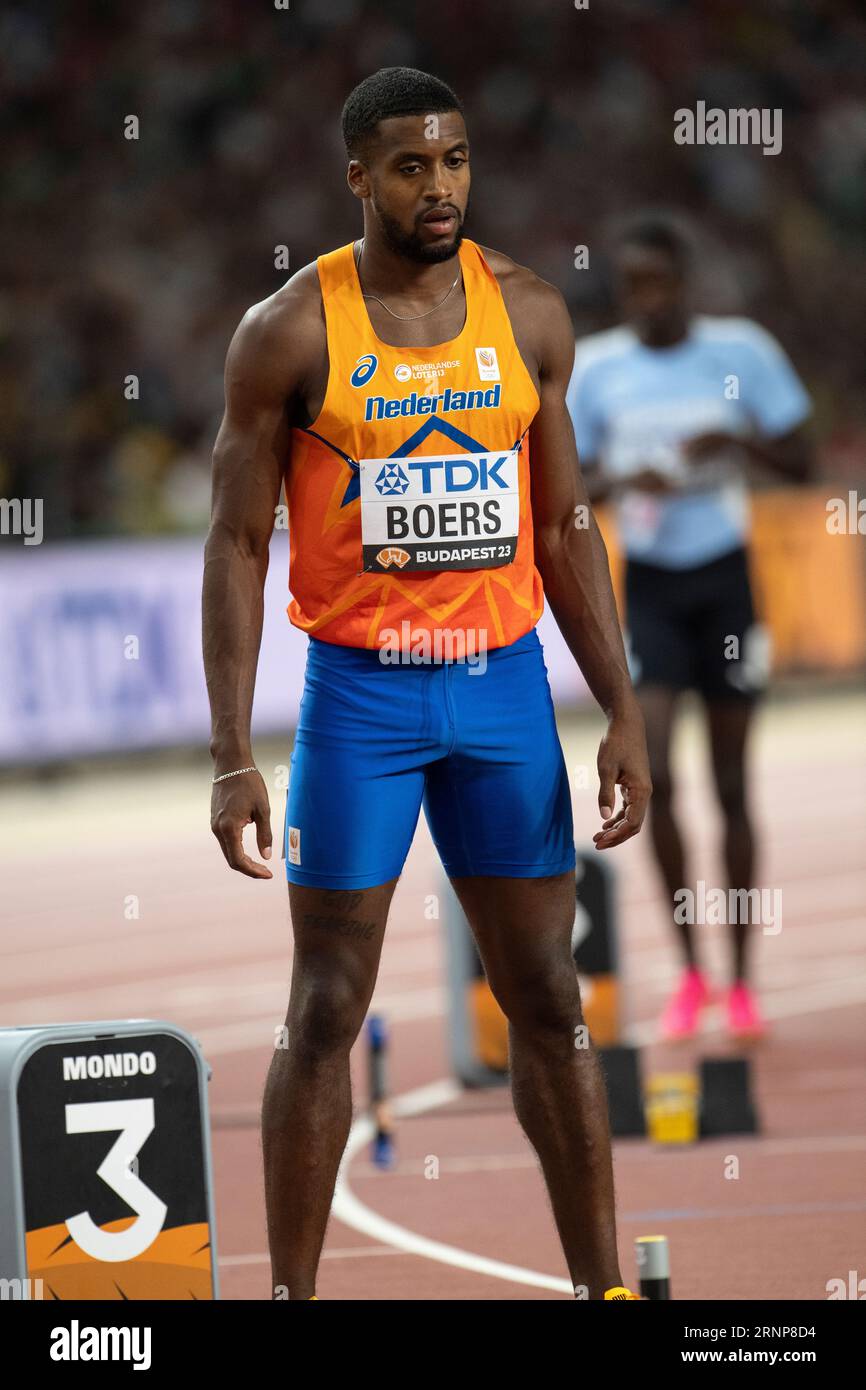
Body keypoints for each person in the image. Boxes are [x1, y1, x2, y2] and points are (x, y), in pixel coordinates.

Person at [202, 67, 651, 1302]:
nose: (438, 185)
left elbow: (563, 527)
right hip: (361, 703)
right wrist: (232, 749)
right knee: (326, 1002)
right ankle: (292, 1296)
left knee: (549, 997)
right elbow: (237, 545)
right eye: (409, 165)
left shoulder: (529, 312)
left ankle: (598, 1287)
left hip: (502, 692)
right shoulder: (290, 330)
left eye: (453, 160)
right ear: (357, 177)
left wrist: (622, 707)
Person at [566, 214, 812, 1043]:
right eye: (632, 285)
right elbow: (567, 485)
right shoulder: (598, 369)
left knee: (733, 785)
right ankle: (691, 973)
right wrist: (614, 476)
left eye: (659, 282)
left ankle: (741, 982)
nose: (646, 299)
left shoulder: (740, 352)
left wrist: (737, 437)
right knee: (657, 773)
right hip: (654, 592)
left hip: (727, 583)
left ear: (685, 282)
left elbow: (805, 461)